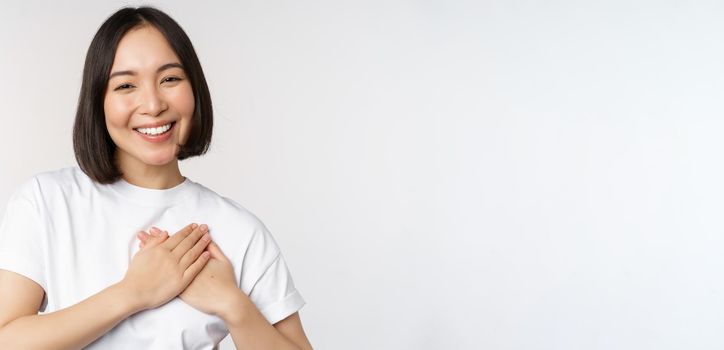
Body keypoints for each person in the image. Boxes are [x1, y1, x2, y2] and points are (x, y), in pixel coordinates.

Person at [0, 6, 313, 350]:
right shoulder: (47, 202)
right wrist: (132, 293)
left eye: (170, 79)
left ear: (194, 89)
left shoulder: (239, 229)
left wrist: (233, 305)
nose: (152, 104)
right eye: (125, 85)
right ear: (98, 101)